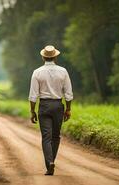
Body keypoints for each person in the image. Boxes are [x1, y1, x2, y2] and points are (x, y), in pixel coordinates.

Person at [28, 45, 73, 176]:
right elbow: (68, 93)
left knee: (46, 137)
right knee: (55, 136)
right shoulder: (63, 71)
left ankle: (49, 163)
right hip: (58, 106)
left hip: (44, 106)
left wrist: (32, 111)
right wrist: (68, 109)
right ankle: (52, 160)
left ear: (43, 57)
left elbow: (33, 95)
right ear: (55, 57)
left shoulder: (37, 72)